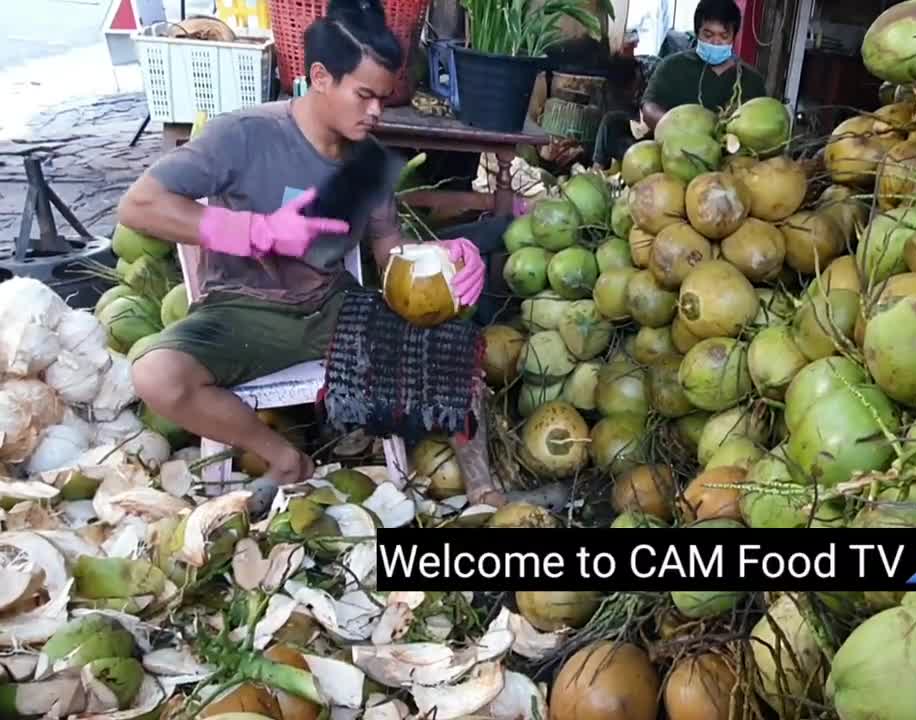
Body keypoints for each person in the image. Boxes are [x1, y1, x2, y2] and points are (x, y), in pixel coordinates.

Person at [117, 0, 507, 506]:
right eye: (364, 95)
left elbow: (390, 252)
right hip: (241, 311)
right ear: (320, 76)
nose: (374, 113)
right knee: (155, 374)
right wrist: (257, 231)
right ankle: (282, 457)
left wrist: (448, 258)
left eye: (383, 100)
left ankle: (483, 486)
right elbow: (139, 206)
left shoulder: (367, 161)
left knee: (458, 345)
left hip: (333, 312)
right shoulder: (244, 135)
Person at [593, 0, 768, 169]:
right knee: (612, 123)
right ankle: (597, 172)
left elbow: (761, 132)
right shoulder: (673, 66)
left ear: (733, 37)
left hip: (725, 161)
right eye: (708, 35)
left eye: (723, 36)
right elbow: (649, 107)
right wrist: (677, 133)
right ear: (697, 32)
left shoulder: (751, 80)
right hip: (670, 153)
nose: (716, 42)